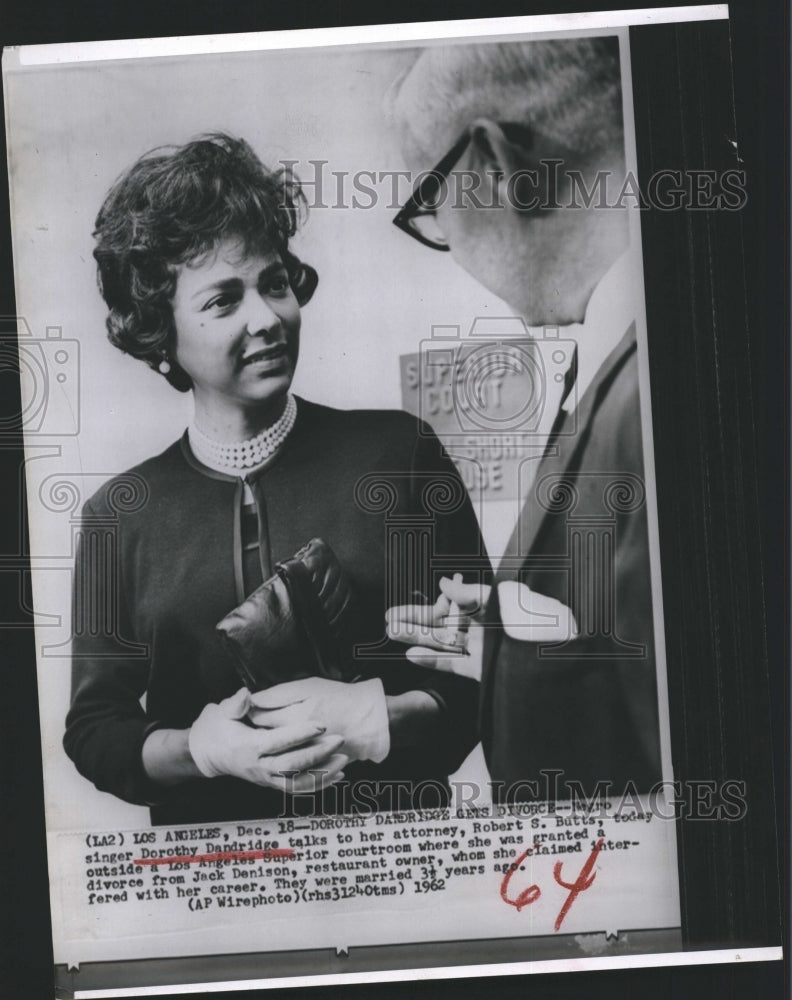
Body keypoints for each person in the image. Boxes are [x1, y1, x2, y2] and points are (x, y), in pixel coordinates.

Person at [64, 133, 485, 825]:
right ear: (158, 331)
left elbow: (484, 682)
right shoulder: (122, 513)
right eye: (223, 300)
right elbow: (95, 731)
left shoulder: (398, 453)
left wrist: (379, 719)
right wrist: (202, 750)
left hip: (398, 864)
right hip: (217, 887)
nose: (267, 318)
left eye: (275, 283)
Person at [386, 38, 663, 801]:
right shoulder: (640, 358)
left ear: (500, 165)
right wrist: (514, 651)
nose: (447, 248)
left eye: (432, 209)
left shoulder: (646, 403)